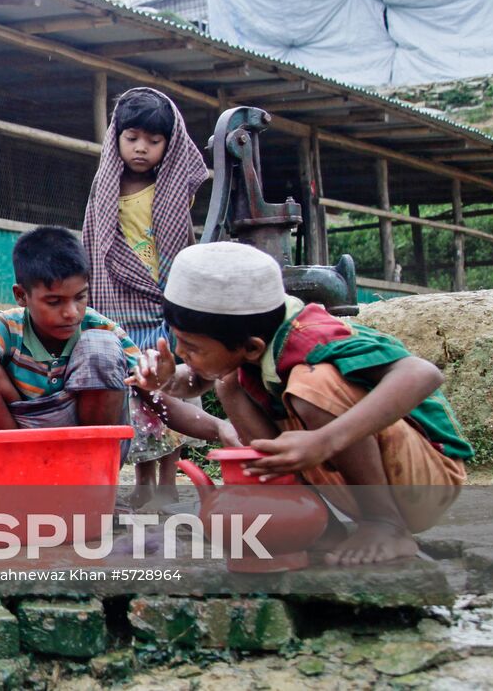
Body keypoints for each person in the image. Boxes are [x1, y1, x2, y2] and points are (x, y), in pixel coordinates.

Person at [140, 241, 471, 566]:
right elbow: (203, 376)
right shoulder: (255, 334)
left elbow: (422, 372)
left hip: (426, 479)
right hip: (370, 478)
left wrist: (324, 441)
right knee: (230, 384)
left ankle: (385, 524)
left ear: (253, 348)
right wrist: (165, 379)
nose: (182, 354)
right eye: (178, 343)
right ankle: (321, 527)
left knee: (315, 385)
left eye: (192, 347)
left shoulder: (312, 337)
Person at [0, 226, 235, 452]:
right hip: (22, 443)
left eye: (80, 297)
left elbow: (160, 401)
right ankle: (18, 472)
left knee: (100, 347)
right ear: (22, 296)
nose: (71, 312)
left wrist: (221, 428)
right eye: (54, 302)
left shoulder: (99, 328)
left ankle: (90, 479)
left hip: (91, 448)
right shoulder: (5, 328)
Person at [82, 87, 210, 508]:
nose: (142, 148)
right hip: (119, 302)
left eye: (155, 142)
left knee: (167, 393)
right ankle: (142, 483)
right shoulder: (104, 189)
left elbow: (193, 170)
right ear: (115, 138)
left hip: (162, 304)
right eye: (133, 137)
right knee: (136, 396)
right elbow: (96, 243)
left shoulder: (173, 188)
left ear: (168, 146)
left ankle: (170, 484)